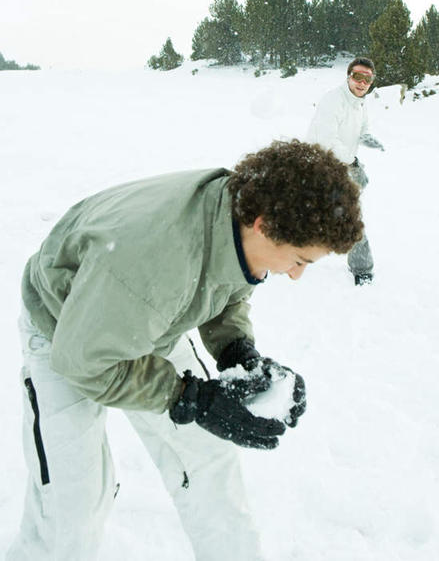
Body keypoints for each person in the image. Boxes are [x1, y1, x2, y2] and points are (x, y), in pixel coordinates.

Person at [8, 139, 363, 561]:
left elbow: (227, 281)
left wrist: (238, 352)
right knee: (73, 502)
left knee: (208, 459)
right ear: (264, 226)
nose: (296, 275)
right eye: (300, 260)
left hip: (148, 316)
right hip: (66, 332)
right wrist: (188, 397)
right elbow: (85, 361)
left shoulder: (239, 210)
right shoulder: (152, 263)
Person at [306, 57, 385, 286]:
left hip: (339, 166)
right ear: (349, 77)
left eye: (367, 79)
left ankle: (361, 267)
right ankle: (362, 269)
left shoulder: (360, 102)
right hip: (319, 166)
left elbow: (361, 128)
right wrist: (354, 163)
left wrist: (367, 138)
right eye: (357, 76)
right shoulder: (333, 101)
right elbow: (328, 141)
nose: (362, 83)